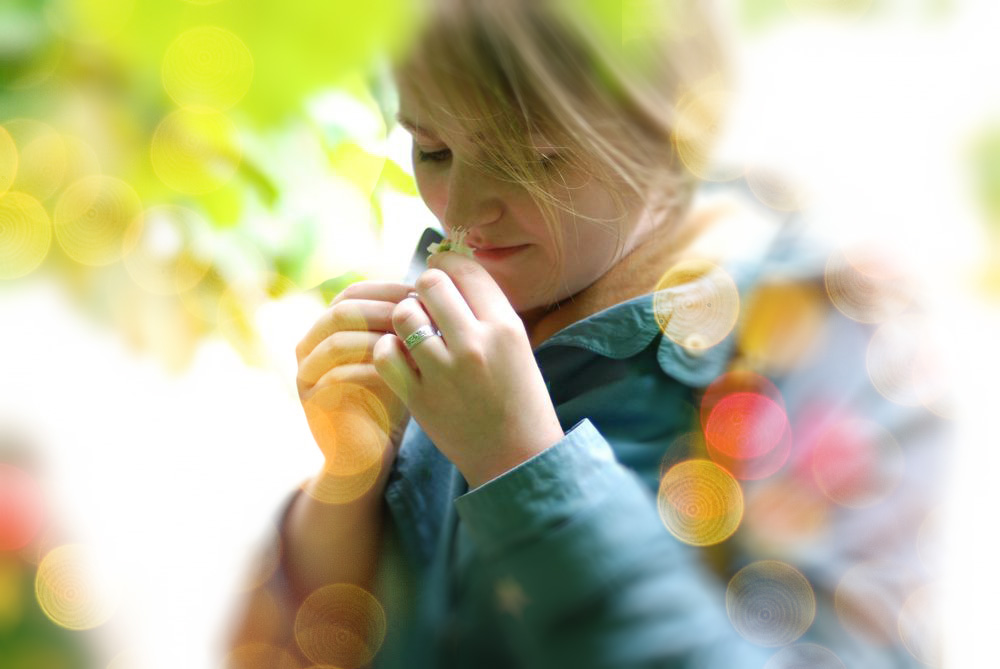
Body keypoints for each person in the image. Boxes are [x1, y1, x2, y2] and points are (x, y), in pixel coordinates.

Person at [226, 2, 947, 667]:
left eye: (538, 158)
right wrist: (349, 484)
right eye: (433, 148)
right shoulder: (482, 282)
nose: (464, 212)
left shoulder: (819, 327)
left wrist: (522, 462)